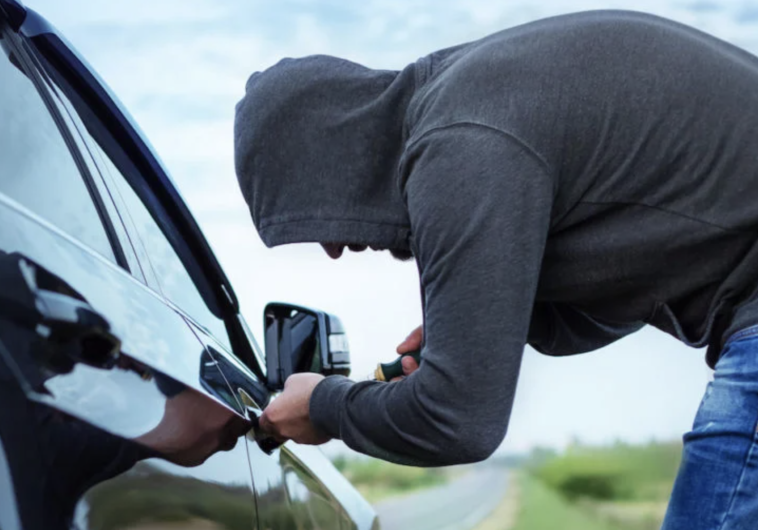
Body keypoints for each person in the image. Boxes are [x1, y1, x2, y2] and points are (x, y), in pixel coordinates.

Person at [233, 10, 758, 530]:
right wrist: (494, 322)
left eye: (308, 213)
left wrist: (324, 407)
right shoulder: (471, 107)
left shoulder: (461, 145)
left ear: (330, 159)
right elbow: (631, 293)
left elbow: (456, 421)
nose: (330, 249)